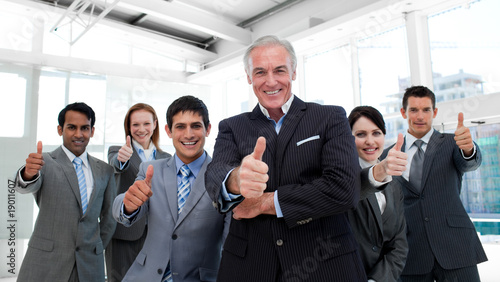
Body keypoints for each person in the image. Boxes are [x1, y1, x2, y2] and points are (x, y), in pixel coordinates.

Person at [205, 35, 366, 281]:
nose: (271, 81)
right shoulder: (232, 127)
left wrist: (263, 203)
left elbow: (343, 188)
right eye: (260, 72)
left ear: (293, 71)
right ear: (249, 77)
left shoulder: (330, 117)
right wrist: (236, 180)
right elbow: (215, 174)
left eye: (279, 70)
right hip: (251, 267)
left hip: (324, 264)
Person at [113, 95, 230, 282]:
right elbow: (124, 206)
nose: (188, 134)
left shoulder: (225, 176)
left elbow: (229, 242)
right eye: (180, 127)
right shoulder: (151, 170)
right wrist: (127, 204)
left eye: (196, 126)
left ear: (208, 129)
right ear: (168, 130)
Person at [381, 85, 487, 281]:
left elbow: (470, 162)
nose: (420, 116)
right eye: (414, 110)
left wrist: (469, 149)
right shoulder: (388, 155)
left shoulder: (453, 143)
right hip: (411, 253)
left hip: (456, 248)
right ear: (403, 112)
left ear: (434, 112)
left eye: (426, 110)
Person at [13, 102, 117, 282]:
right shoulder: (43, 162)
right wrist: (28, 174)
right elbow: (26, 184)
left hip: (89, 265)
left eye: (85, 128)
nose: (78, 134)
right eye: (71, 127)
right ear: (60, 130)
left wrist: (93, 246)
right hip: (46, 264)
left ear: (92, 131)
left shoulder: (105, 171)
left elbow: (109, 219)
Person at [105, 103, 172, 281]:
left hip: (157, 233)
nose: (141, 129)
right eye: (135, 125)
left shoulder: (167, 158)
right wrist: (122, 159)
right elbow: (117, 164)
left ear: (155, 124)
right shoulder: (117, 151)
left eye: (146, 124)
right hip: (125, 233)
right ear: (128, 127)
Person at [347, 106, 408, 282]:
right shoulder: (340, 178)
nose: (370, 141)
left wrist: (377, 280)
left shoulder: (394, 185)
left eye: (376, 133)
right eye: (360, 134)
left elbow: (399, 244)